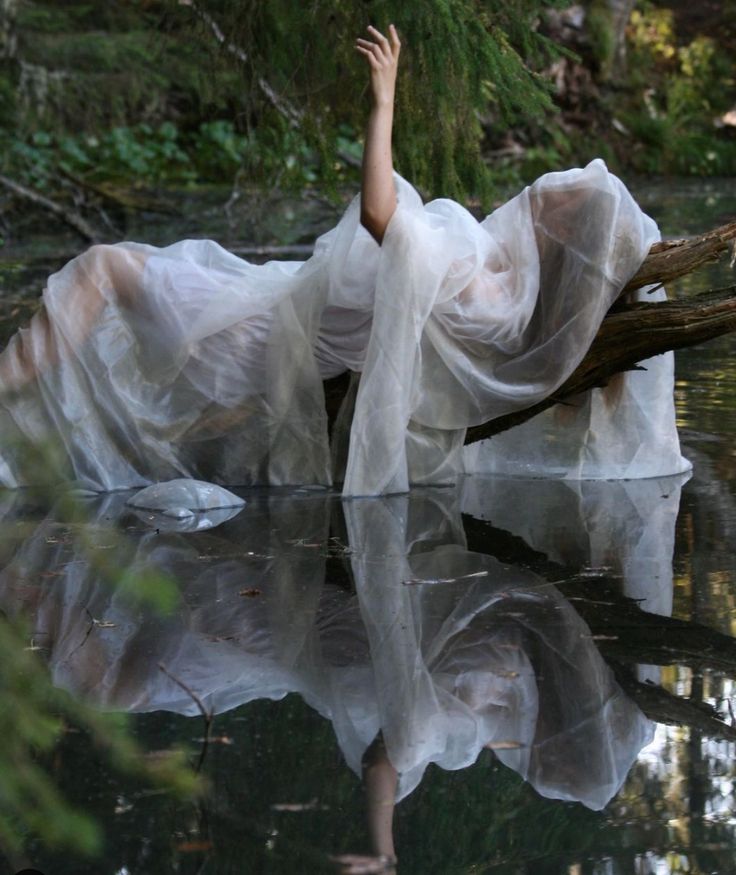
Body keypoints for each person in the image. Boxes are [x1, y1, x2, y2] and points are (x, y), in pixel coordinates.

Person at [0, 27, 689, 498]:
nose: (548, 183)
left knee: (100, 268)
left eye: (561, 193)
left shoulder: (486, 291)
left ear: (562, 230)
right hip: (269, 308)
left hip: (256, 339)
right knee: (105, 286)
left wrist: (383, 101)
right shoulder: (508, 301)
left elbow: (381, 217)